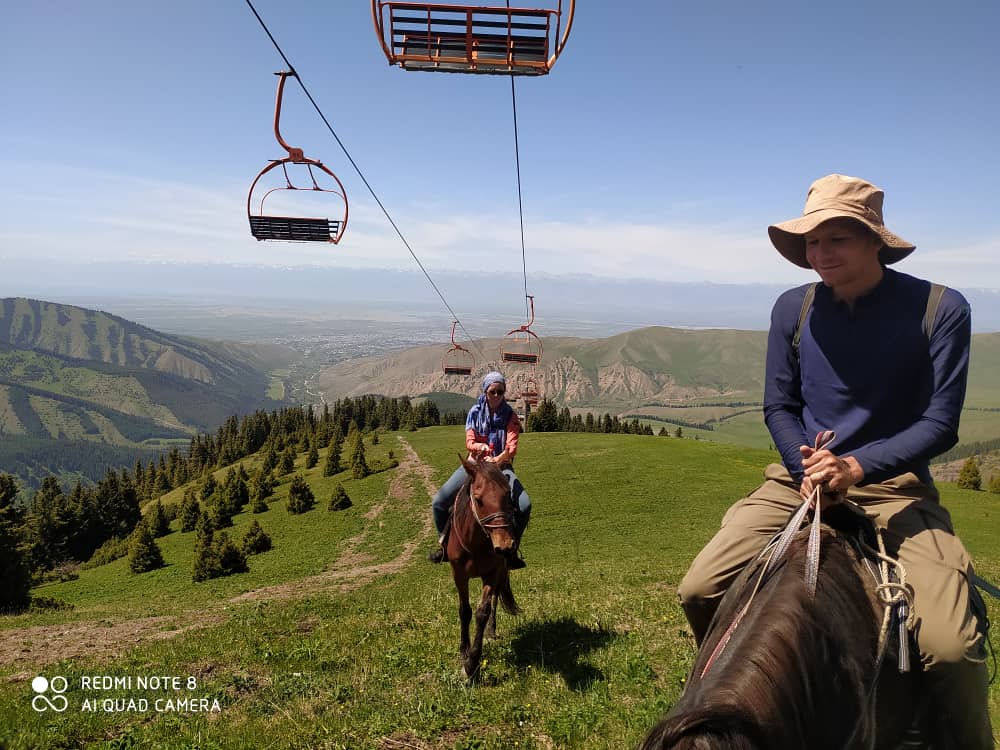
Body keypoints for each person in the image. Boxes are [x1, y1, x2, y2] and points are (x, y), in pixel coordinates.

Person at [677, 174, 993, 747]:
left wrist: (855, 468)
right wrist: (808, 473)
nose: (819, 255)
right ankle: (734, 711)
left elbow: (940, 424)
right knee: (698, 588)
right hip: (800, 482)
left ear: (875, 240)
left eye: (836, 239)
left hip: (895, 490)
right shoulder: (792, 309)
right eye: (811, 243)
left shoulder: (940, 310)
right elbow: (779, 405)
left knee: (952, 647)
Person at [428, 371, 531, 569]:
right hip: (475, 464)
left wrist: (499, 459)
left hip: (500, 468)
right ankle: (444, 544)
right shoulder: (475, 412)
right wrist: (480, 448)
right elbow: (470, 441)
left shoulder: (511, 416)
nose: (497, 396)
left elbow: (512, 447)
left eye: (501, 392)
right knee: (439, 501)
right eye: (493, 392)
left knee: (525, 505)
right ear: (485, 391)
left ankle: (512, 549)